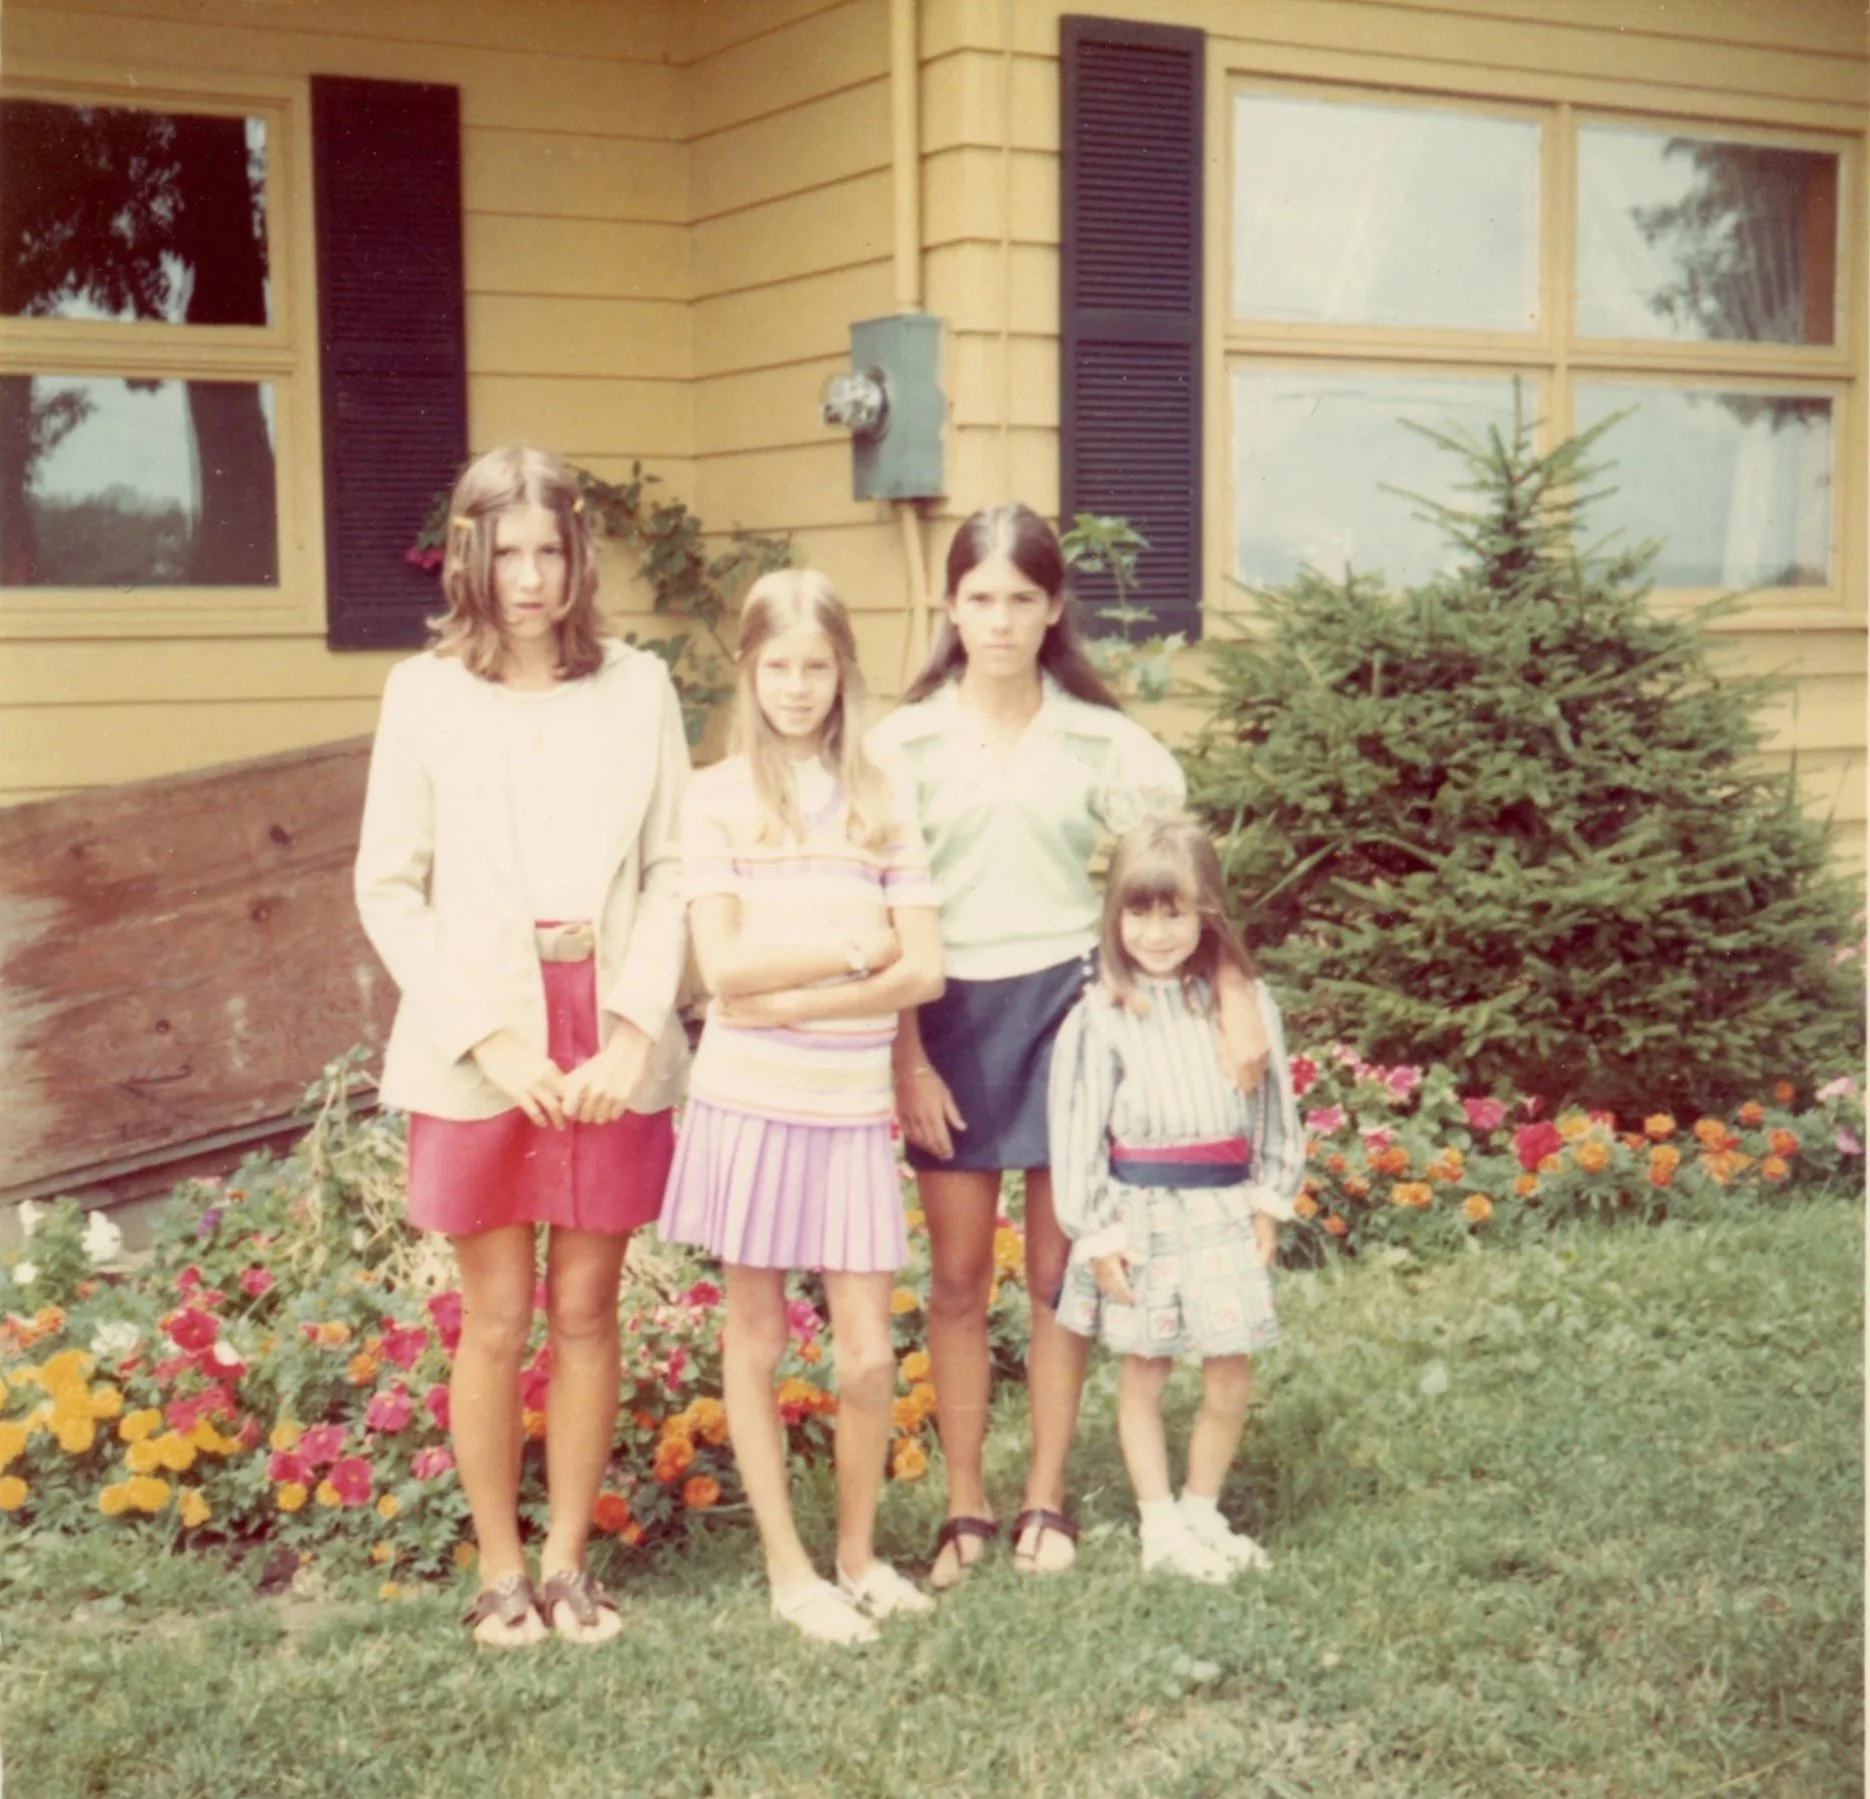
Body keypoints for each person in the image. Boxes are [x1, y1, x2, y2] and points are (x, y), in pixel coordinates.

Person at [870, 503, 1272, 1587]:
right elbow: (879, 910)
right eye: (978, 598)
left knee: (1059, 1270)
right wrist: (904, 1055)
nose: (998, 621)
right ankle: (964, 1505)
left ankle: (1045, 1493)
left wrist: (1231, 983)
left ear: (1052, 610)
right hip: (946, 1015)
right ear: (949, 607)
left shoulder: (1099, 738)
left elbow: (1176, 874)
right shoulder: (899, 744)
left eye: (1020, 600)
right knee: (956, 1278)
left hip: (1064, 1018)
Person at [354, 444, 690, 1647]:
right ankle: (497, 1566)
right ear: (470, 558)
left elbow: (671, 869)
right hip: (477, 1034)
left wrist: (632, 1031)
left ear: (578, 559)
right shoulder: (423, 694)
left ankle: (565, 1562)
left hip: (605, 1037)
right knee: (496, 1315)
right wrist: (492, 1042)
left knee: (588, 1305)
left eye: (551, 551)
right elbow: (388, 886)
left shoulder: (639, 688)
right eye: (508, 553)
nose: (532, 577)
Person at [659, 569, 945, 1644]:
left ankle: (859, 1554)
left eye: (814, 666)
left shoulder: (880, 797)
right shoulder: (717, 795)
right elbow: (722, 970)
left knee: (867, 1352)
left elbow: (924, 969)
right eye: (775, 666)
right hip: (750, 1103)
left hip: (846, 1107)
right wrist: (846, 947)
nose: (794, 687)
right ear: (748, 670)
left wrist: (800, 993)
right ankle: (790, 1569)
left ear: (842, 672)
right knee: (757, 1335)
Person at [1050, 816, 1302, 1580]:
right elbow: (1076, 1129)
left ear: (1207, 915)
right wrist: (1095, 1234)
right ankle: (1158, 1523)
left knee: (1230, 1366)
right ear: (1114, 916)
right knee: (1146, 1367)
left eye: (1175, 913)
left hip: (1224, 1205)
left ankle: (1201, 1505)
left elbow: (1272, 1107)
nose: (1156, 932)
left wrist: (1267, 1198)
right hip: (1142, 1213)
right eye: (1139, 912)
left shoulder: (1239, 1006)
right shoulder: (1099, 1015)